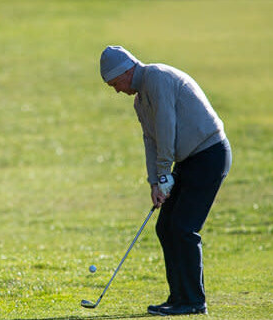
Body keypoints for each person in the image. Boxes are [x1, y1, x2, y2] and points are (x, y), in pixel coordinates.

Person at [99, 46, 232, 316]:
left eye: (115, 83)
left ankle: (194, 301)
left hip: (209, 154)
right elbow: (151, 140)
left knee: (183, 227)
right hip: (189, 160)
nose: (116, 90)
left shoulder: (156, 77)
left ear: (126, 71)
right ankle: (179, 297)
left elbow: (166, 127)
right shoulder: (140, 101)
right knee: (166, 227)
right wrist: (154, 182)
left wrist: (164, 174)